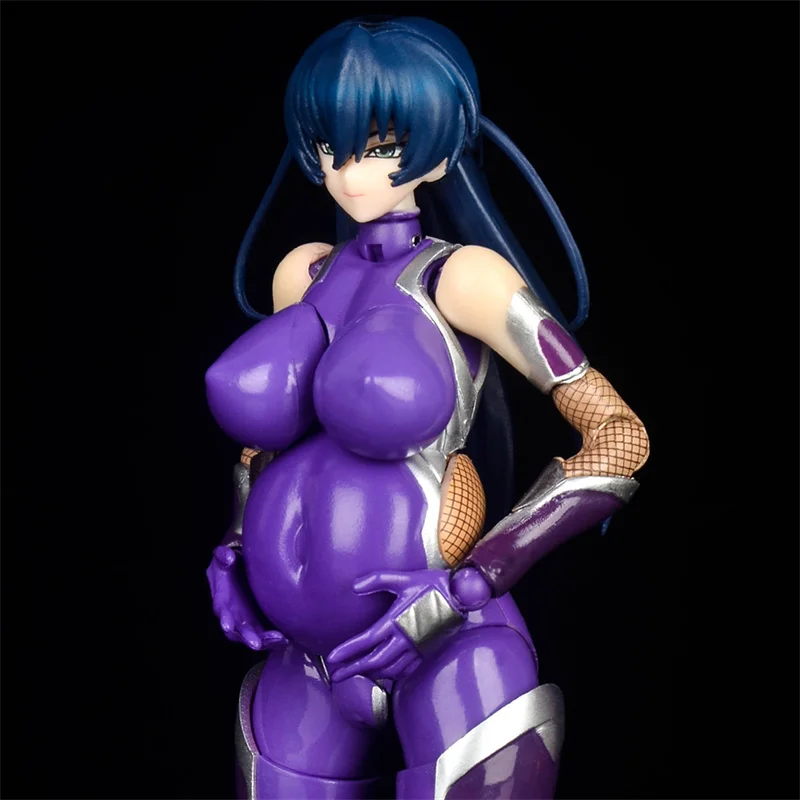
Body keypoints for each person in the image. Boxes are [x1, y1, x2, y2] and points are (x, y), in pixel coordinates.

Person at [205, 15, 649, 800]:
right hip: (303, 659)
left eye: (379, 147)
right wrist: (237, 543)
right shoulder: (301, 274)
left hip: (448, 644)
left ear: (440, 152)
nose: (349, 174)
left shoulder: (465, 279)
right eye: (329, 146)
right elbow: (269, 446)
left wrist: (472, 584)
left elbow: (619, 435)